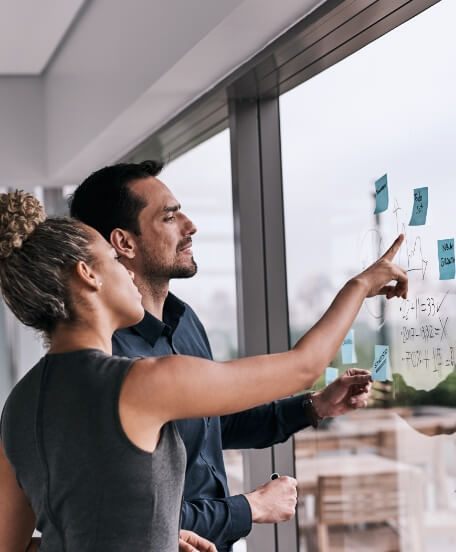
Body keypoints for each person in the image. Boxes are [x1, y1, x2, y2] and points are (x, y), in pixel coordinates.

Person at [0, 190, 406, 551]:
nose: (125, 269)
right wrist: (361, 285)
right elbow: (304, 367)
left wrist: (150, 537)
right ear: (87, 275)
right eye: (111, 258)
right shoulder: (141, 382)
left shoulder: (17, 405)